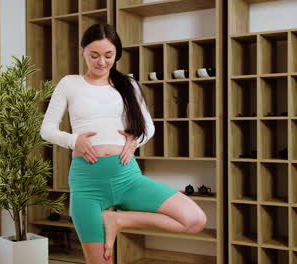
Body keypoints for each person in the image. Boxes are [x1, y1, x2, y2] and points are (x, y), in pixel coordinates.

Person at [40, 23, 207, 264]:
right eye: (94, 55)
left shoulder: (127, 84)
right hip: (88, 184)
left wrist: (134, 141)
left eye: (108, 55)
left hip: (127, 178)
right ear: (83, 52)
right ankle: (113, 220)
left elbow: (148, 126)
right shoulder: (69, 84)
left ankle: (118, 220)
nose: (101, 62)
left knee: (194, 220)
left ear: (116, 54)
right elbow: (47, 129)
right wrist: (73, 139)